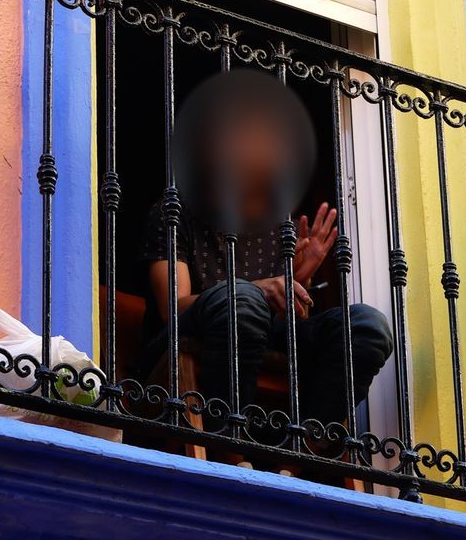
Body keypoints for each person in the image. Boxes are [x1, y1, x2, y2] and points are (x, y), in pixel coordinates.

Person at [138, 70, 392, 427]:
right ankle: (229, 438)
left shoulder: (275, 222)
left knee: (369, 325)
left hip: (256, 336)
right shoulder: (175, 209)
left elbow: (282, 319)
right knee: (242, 300)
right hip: (194, 334)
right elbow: (172, 309)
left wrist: (297, 278)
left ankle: (309, 449)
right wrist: (257, 290)